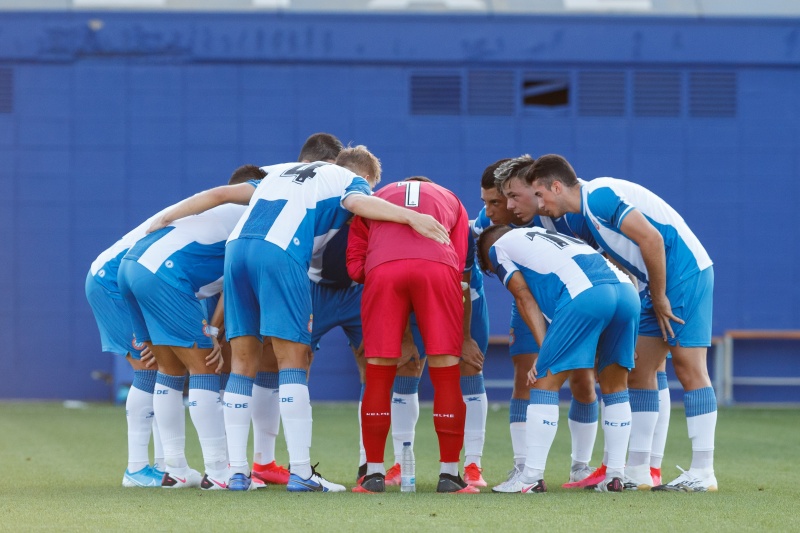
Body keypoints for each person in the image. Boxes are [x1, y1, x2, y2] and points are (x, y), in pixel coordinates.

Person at [148, 143, 449, 492]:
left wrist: (168, 215)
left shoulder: (280, 170)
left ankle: (236, 473)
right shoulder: (350, 181)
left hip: (237, 251)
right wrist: (413, 216)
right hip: (282, 253)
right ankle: (302, 473)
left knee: (244, 362)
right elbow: (358, 203)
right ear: (366, 177)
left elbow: (217, 194)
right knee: (292, 360)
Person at [526, 154, 717, 492]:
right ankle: (639, 469)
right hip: (652, 284)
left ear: (557, 186)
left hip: (685, 273)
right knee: (641, 370)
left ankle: (703, 470)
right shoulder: (584, 213)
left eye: (540, 195)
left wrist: (658, 297)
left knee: (689, 367)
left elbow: (653, 239)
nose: (538, 205)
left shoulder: (599, 196)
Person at [117, 164, 264, 490]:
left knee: (168, 370)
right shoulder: (250, 217)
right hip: (162, 274)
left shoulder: (217, 212)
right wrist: (211, 333)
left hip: (129, 269)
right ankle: (218, 472)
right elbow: (233, 282)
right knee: (205, 369)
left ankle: (177, 470)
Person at [477, 224, 640, 493]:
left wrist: (545, 353)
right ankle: (615, 476)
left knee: (543, 381)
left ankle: (530, 478)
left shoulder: (497, 247)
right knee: (615, 387)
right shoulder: (549, 236)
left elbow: (523, 295)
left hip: (586, 295)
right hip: (625, 292)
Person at [475, 159, 604, 490]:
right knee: (526, 377)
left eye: (496, 202)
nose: (490, 211)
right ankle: (524, 468)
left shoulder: (563, 209)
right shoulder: (485, 227)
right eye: (487, 202)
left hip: (574, 301)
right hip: (530, 303)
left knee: (583, 378)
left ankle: (580, 467)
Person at [347, 176, 478, 494]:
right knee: (446, 374)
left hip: (384, 272)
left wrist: (388, 265)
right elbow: (459, 264)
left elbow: (354, 268)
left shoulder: (373, 198)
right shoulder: (452, 197)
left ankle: (374, 475)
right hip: (437, 270)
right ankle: (449, 475)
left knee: (378, 376)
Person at [86, 219, 169, 487]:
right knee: (149, 367)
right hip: (113, 282)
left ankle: (165, 465)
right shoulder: (220, 222)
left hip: (133, 281)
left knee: (164, 366)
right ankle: (136, 469)